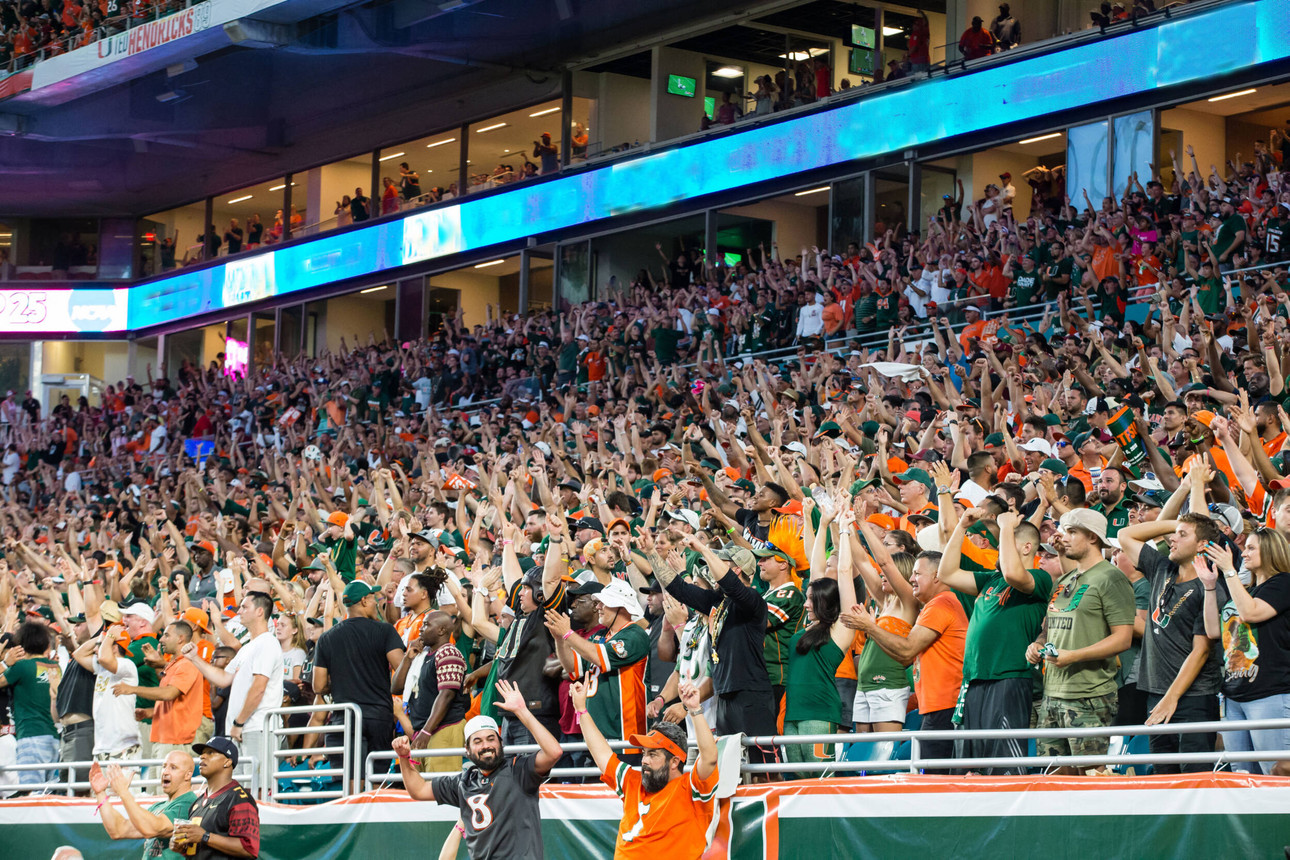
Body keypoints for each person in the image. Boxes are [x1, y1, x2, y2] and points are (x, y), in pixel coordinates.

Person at [392, 680, 562, 860]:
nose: (486, 746)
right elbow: (417, 790)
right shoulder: (463, 782)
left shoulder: (518, 770)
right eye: (478, 741)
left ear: (501, 742)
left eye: (491, 739)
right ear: (467, 749)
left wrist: (522, 711)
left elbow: (554, 752)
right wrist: (403, 757)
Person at [938, 509, 1050, 772]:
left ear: (1025, 547)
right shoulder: (992, 579)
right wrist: (961, 527)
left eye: (1004, 545)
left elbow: (1013, 573)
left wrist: (1007, 526)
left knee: (1003, 764)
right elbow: (947, 574)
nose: (1000, 551)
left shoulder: (1041, 579)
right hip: (975, 679)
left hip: (1008, 678)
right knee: (970, 763)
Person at [1118, 511, 1226, 773]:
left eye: (1182, 535)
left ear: (1202, 545)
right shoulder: (1162, 567)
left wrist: (1171, 698)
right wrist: (1176, 524)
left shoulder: (1210, 587)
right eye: (1175, 533)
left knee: (1193, 778)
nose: (1172, 539)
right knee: (1164, 779)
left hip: (1194, 698)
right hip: (1157, 692)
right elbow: (1125, 535)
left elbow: (1201, 651)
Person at [1029, 509, 1135, 773]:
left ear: (1092, 537)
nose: (1064, 538)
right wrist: (1038, 644)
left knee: (1091, 780)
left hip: (1089, 695)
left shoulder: (1111, 578)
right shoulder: (1064, 579)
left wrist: (1073, 656)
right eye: (1064, 531)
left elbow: (1123, 638)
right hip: (1051, 694)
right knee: (1053, 779)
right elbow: (1048, 627)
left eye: (1072, 532)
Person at [846, 541, 967, 768]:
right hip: (922, 699)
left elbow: (907, 650)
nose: (912, 579)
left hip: (935, 699)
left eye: (917, 574)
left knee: (890, 761)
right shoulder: (889, 604)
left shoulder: (922, 604)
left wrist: (871, 627)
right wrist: (845, 527)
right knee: (864, 759)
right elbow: (863, 561)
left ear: (936, 577)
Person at [573, 677, 718, 859]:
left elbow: (710, 758)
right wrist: (581, 710)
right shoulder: (634, 783)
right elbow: (601, 753)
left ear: (674, 761)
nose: (644, 760)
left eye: (653, 754)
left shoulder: (691, 790)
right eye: (644, 753)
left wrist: (695, 709)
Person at [1199, 527, 1290, 773]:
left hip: (1269, 692)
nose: (1244, 553)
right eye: (1245, 547)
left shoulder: (1284, 583)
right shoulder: (1247, 591)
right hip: (1234, 693)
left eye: (1251, 548)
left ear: (1271, 551)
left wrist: (1230, 571)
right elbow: (1214, 631)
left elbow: (1251, 613)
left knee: (1274, 772)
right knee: (1242, 773)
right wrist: (1209, 587)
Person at [781, 507, 859, 775]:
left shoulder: (841, 628)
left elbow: (845, 571)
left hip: (819, 713)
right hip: (792, 714)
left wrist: (845, 530)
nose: (806, 602)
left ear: (825, 602)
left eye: (811, 599)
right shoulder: (808, 624)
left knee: (820, 782)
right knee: (796, 784)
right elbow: (814, 569)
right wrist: (822, 523)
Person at [182, 592, 284, 792]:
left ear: (260, 611)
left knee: (259, 786)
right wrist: (194, 658)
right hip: (243, 729)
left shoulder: (267, 643)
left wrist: (239, 722)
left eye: (245, 607)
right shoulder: (248, 647)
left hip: (258, 727)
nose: (240, 611)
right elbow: (223, 678)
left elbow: (259, 687)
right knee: (242, 787)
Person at [311, 581, 405, 789]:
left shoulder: (327, 638)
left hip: (344, 718)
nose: (375, 603)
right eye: (373, 599)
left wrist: (340, 679)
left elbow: (318, 686)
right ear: (364, 601)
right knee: (376, 783)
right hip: (378, 717)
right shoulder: (384, 631)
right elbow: (401, 670)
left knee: (349, 785)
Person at [115, 620, 203, 768]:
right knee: (155, 791)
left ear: (180, 638)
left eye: (167, 635)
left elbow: (169, 693)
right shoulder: (174, 665)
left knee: (166, 790)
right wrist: (150, 713)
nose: (161, 639)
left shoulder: (187, 664)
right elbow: (175, 703)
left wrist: (133, 689)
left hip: (176, 741)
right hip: (163, 740)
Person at [391, 610, 469, 772]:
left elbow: (447, 694)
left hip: (443, 728)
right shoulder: (423, 656)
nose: (420, 629)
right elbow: (396, 688)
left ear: (441, 630)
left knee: (440, 788)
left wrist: (426, 731)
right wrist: (407, 657)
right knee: (423, 791)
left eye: (426, 625)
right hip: (423, 730)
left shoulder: (448, 652)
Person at [89, 753, 197, 860]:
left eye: (173, 768)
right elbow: (119, 830)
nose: (165, 772)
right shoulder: (158, 806)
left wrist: (123, 792)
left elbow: (152, 829)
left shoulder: (189, 803)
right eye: (164, 766)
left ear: (187, 775)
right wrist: (100, 793)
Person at [172, 737, 260, 859]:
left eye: (210, 753)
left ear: (228, 762)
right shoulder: (197, 802)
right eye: (202, 754)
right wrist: (181, 847)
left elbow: (249, 848)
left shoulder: (239, 798)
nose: (202, 757)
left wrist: (205, 836)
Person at [0, 621, 62, 789]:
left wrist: (5, 662)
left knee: (32, 794)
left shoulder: (21, 667)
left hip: (30, 737)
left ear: (21, 645)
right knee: (50, 795)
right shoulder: (56, 667)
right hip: (54, 738)